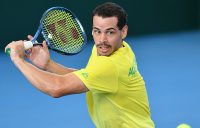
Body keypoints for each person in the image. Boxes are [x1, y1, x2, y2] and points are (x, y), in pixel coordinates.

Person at [5, 2, 155, 128]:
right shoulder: (117, 49)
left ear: (123, 31)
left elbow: (56, 88)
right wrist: (48, 65)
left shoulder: (110, 65)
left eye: (110, 32)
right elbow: (88, 75)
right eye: (97, 31)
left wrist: (18, 60)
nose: (102, 39)